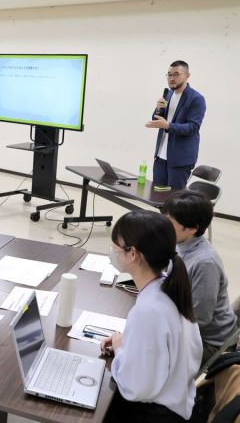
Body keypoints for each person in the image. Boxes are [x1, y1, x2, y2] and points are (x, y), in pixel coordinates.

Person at [101, 210, 202, 422]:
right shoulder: (170, 287)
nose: (113, 252)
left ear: (133, 254)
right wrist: (129, 343)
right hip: (180, 401)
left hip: (156, 415)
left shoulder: (148, 310)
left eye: (116, 247)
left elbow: (134, 387)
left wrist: (120, 349)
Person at [161, 190, 237, 365]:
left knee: (149, 356)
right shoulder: (180, 243)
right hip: (182, 321)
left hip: (210, 342)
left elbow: (199, 318)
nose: (163, 225)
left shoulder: (205, 263)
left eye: (169, 222)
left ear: (192, 228)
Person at [145, 60, 206, 190]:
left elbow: (192, 127)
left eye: (176, 74)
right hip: (160, 156)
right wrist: (158, 109)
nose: (172, 78)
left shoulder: (196, 99)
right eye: (169, 74)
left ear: (187, 76)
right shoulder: (168, 94)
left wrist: (168, 125)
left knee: (175, 199)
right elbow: (156, 120)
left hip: (180, 160)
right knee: (156, 196)